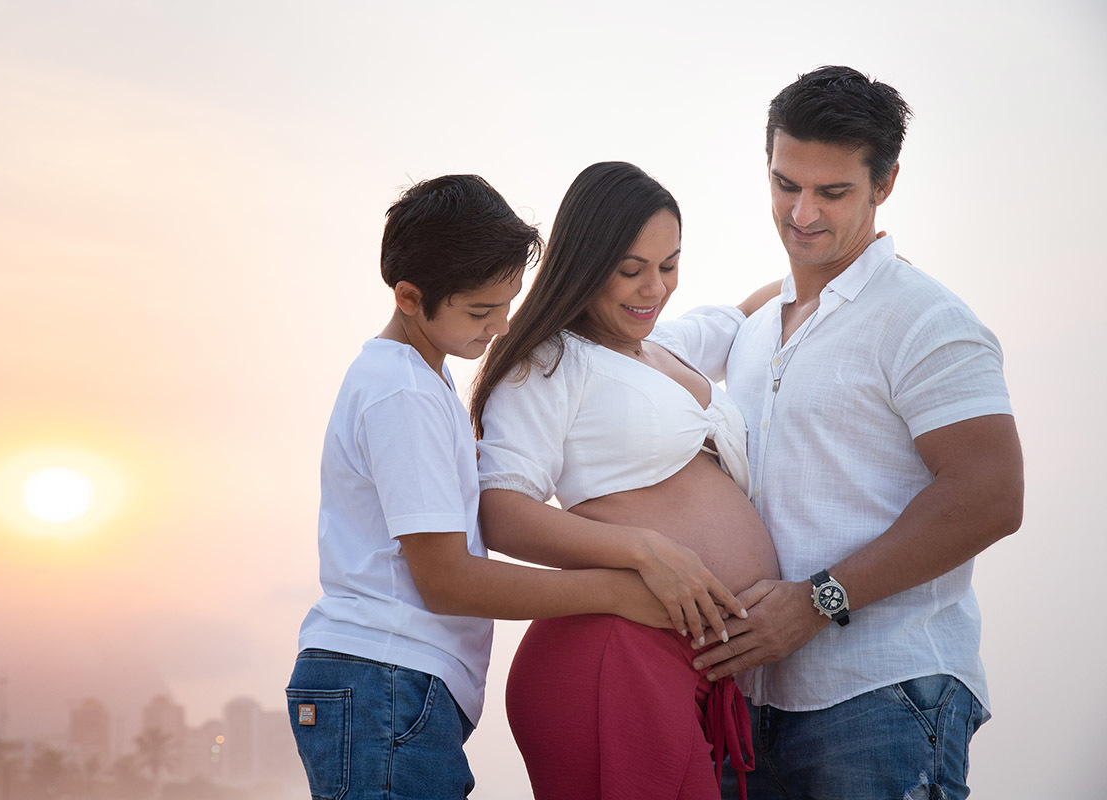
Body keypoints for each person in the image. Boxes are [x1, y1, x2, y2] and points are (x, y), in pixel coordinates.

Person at [286, 174, 687, 800]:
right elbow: (446, 580)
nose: (500, 326)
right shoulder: (404, 393)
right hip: (384, 677)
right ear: (410, 297)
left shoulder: (419, 379)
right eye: (479, 311)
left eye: (507, 303)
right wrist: (615, 592)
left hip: (389, 681)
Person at [689, 66, 1025, 799]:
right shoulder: (755, 329)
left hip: (884, 695)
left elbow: (991, 495)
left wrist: (819, 602)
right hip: (750, 706)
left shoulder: (924, 317)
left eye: (832, 192)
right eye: (785, 184)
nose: (802, 212)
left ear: (885, 183)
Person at [470, 161, 782, 800]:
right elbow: (500, 509)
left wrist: (857, 272)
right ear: (585, 263)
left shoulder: (666, 345)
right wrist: (645, 551)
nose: (654, 287)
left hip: (686, 670)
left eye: (669, 264)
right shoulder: (550, 360)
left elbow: (746, 312)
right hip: (613, 655)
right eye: (631, 269)